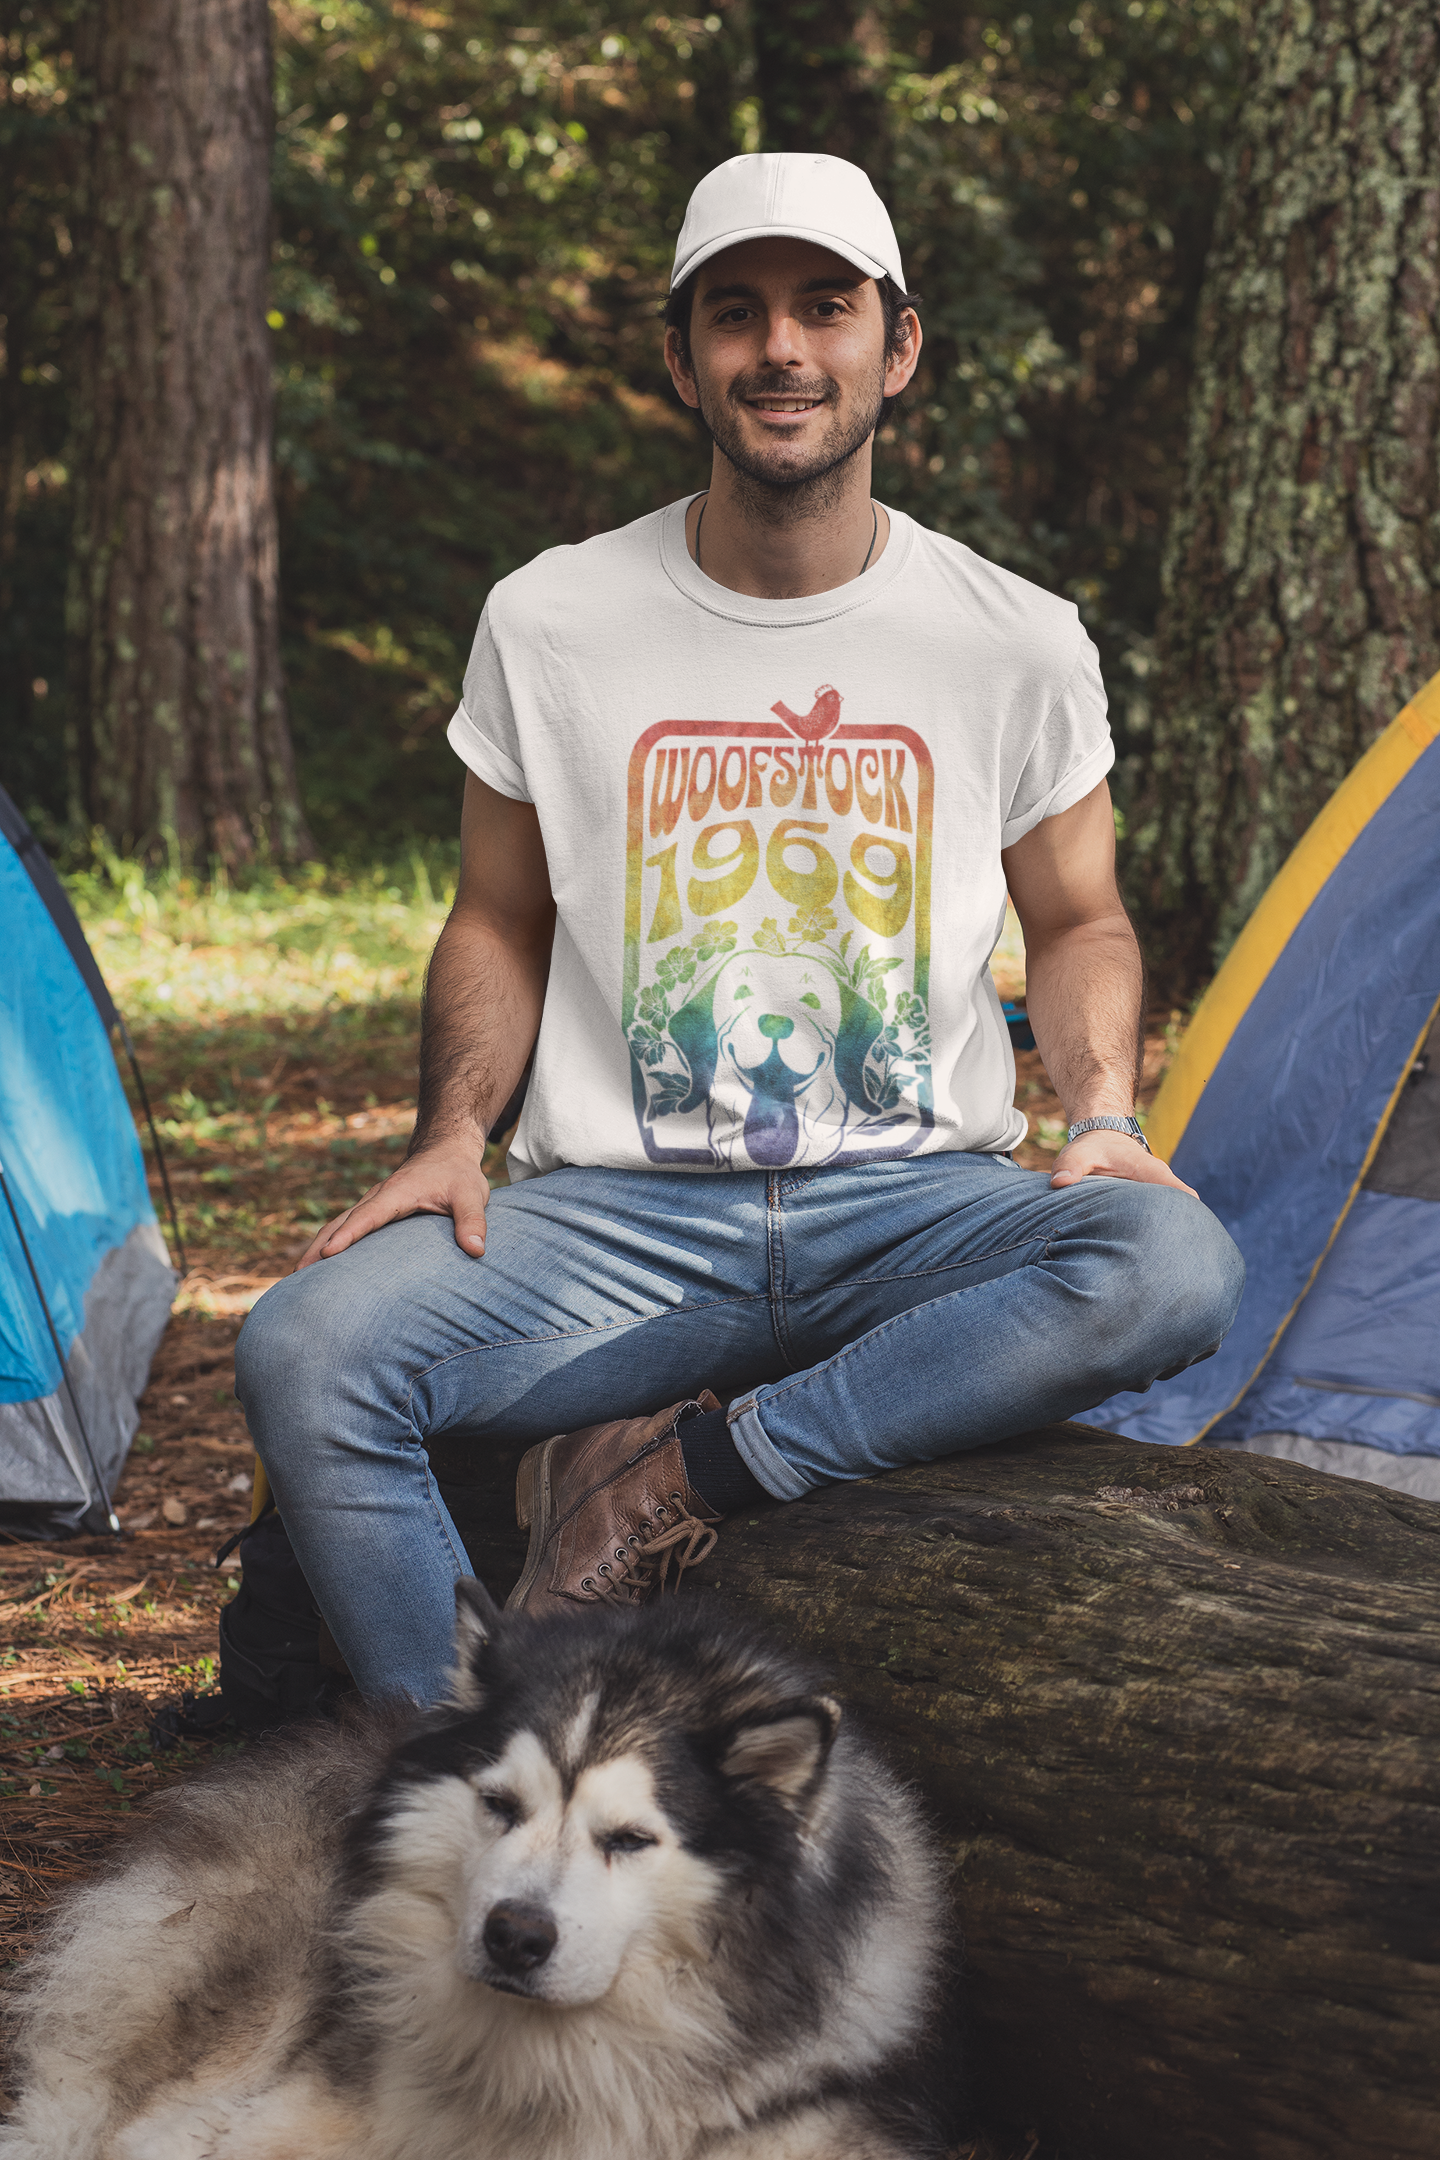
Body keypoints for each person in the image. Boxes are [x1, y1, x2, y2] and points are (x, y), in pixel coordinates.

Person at [235, 153, 1244, 1704]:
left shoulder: (1016, 638)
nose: (782, 349)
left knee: (1170, 1260)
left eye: (825, 308)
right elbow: (498, 917)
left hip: (914, 1206)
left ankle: (679, 1480)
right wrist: (450, 1132)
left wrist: (1100, 1109)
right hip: (627, 1226)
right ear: (680, 357)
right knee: (305, 1351)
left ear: (896, 347)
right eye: (737, 312)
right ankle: (468, 1776)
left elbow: (1084, 916)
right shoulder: (552, 617)